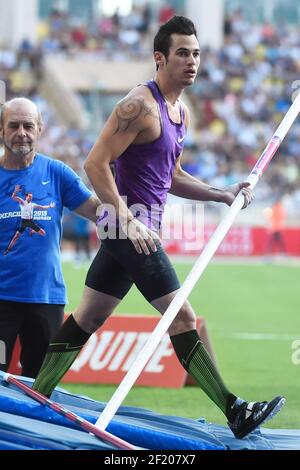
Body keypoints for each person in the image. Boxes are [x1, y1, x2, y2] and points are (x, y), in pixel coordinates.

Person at [33, 16, 285, 439]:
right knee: (182, 317)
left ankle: (39, 392)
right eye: (182, 53)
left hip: (134, 230)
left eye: (196, 53)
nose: (192, 61)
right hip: (130, 231)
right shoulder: (137, 106)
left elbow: (172, 175)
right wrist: (128, 221)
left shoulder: (179, 112)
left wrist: (220, 192)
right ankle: (234, 409)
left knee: (89, 316)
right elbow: (95, 164)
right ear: (159, 58)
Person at [0, 97, 100, 378]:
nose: (22, 132)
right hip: (1, 302)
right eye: (14, 125)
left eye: (28, 126)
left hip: (45, 300)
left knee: (41, 384)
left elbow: (96, 211)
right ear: (1, 130)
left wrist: (132, 219)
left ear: (40, 129)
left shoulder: (56, 173)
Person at [4, 185, 56, 255]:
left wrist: (49, 206)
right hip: (24, 222)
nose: (30, 198)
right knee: (16, 236)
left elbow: (42, 207)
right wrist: (16, 191)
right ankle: (8, 250)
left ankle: (33, 231)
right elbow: (13, 197)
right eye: (29, 196)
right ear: (26, 197)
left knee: (43, 233)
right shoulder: (22, 202)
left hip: (30, 221)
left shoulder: (32, 204)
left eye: (31, 197)